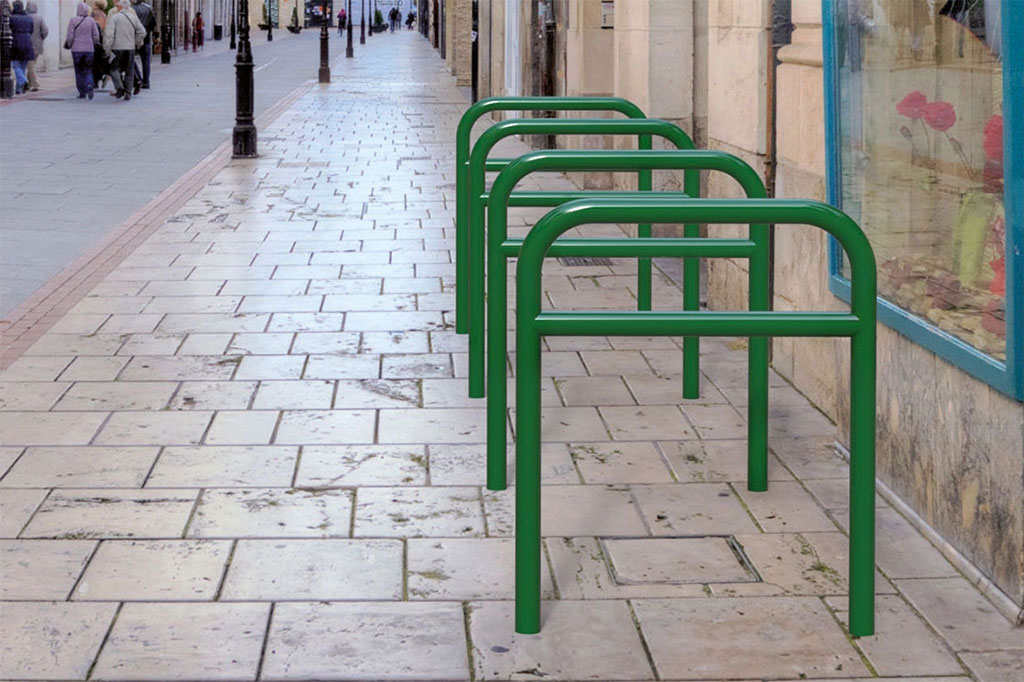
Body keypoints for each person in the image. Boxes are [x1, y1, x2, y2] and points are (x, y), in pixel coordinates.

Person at [103, 0, 145, 100]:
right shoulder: (133, 18)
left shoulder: (115, 18)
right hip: (130, 48)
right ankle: (128, 93)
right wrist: (137, 42)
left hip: (117, 48)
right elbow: (142, 32)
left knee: (113, 69)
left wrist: (107, 48)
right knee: (129, 70)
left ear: (121, 7)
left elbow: (109, 35)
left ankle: (120, 87)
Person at [66, 2, 100, 99]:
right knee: (88, 69)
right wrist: (93, 43)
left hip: (76, 50)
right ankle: (89, 85)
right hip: (89, 49)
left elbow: (70, 36)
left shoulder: (73, 20)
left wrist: (69, 44)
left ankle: (82, 92)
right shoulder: (91, 21)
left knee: (79, 71)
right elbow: (96, 36)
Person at [8, 1, 34, 95]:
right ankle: (19, 89)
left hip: (16, 42)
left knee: (15, 65)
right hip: (27, 42)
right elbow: (31, 30)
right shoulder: (29, 18)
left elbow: (9, 29)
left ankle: (23, 81)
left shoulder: (12, 18)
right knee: (22, 66)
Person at [131, 0, 155, 89]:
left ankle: (138, 78)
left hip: (133, 38)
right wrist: (147, 31)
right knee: (146, 61)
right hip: (146, 38)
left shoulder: (131, 9)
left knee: (131, 59)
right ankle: (146, 82)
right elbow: (153, 24)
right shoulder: (149, 8)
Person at [25, 1, 48, 92]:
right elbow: (45, 30)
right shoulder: (39, 17)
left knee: (31, 65)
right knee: (32, 64)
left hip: (28, 43)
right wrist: (41, 38)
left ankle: (35, 84)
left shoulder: (26, 17)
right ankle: (28, 84)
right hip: (38, 45)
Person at [90, 0, 108, 89]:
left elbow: (95, 27)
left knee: (94, 62)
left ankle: (95, 81)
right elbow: (104, 27)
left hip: (94, 40)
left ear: (96, 5)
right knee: (99, 61)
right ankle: (99, 78)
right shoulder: (104, 14)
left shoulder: (94, 14)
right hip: (101, 40)